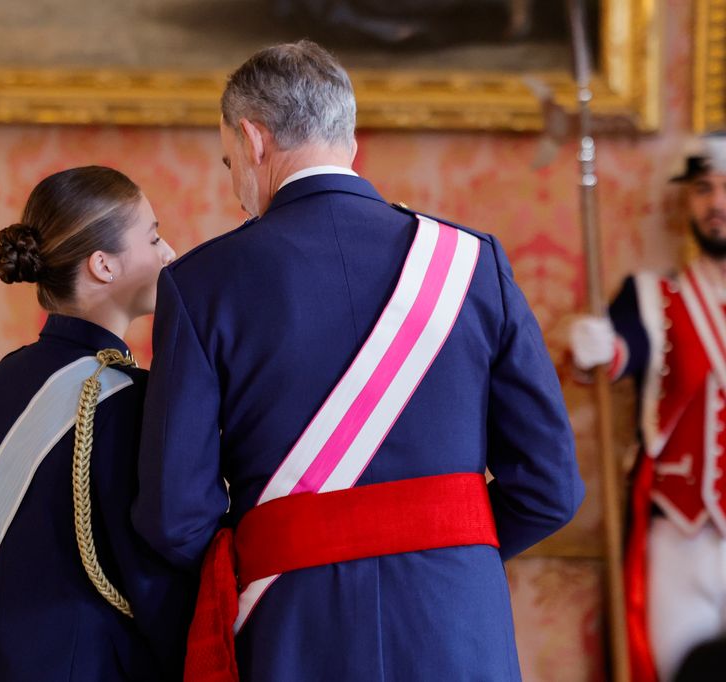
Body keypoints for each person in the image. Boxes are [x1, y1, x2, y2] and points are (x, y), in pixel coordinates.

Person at [133, 40, 584, 681]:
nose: (236, 184)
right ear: (347, 135)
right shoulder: (472, 263)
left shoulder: (202, 283)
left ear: (254, 139)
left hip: (291, 626)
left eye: (229, 159)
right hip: (457, 624)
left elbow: (176, 516)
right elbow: (550, 489)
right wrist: (443, 545)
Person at [0, 166, 189, 681]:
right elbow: (149, 578)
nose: (168, 252)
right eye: (152, 237)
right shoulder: (129, 398)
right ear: (103, 265)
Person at [569, 133, 726, 682]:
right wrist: (598, 346)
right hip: (677, 531)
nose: (717, 205)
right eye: (704, 189)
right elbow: (620, 353)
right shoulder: (652, 297)